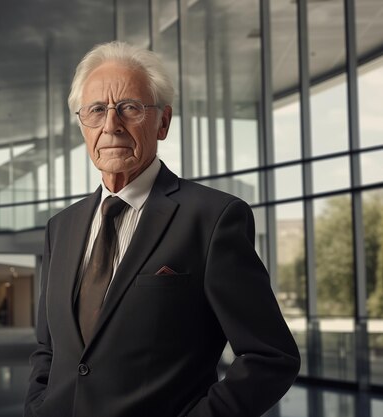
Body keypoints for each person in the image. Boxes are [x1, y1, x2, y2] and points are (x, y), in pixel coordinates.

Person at [24, 41, 300, 417]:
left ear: (163, 122)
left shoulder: (213, 218)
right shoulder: (61, 227)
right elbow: (49, 348)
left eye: (129, 108)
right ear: (81, 124)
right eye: (96, 110)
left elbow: (271, 356)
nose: (111, 125)